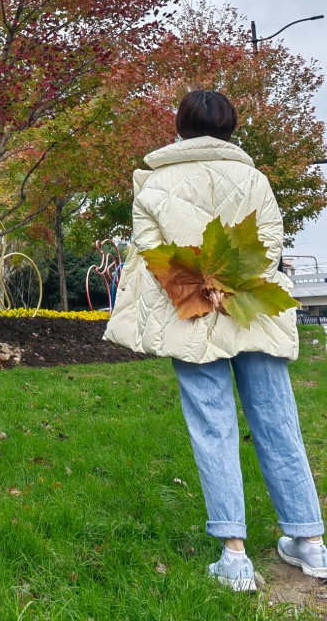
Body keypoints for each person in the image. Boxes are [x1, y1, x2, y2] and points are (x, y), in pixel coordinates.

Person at [104, 90, 326, 591]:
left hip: (191, 313)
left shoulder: (154, 183)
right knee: (279, 423)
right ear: (230, 128)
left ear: (180, 126)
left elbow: (154, 256)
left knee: (212, 427)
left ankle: (234, 556)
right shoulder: (255, 179)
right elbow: (269, 245)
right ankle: (310, 542)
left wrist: (204, 290)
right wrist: (232, 285)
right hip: (251, 310)